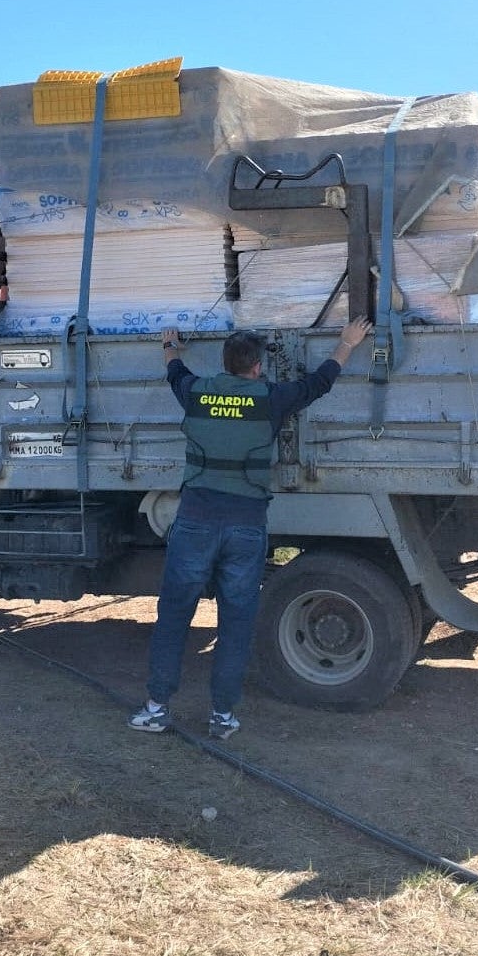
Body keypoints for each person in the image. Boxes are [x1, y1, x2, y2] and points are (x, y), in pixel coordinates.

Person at [129, 315, 372, 739]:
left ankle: (156, 707)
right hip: (245, 525)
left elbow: (175, 372)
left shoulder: (197, 393)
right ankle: (222, 716)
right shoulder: (270, 397)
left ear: (225, 364)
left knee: (173, 616)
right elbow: (319, 384)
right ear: (257, 367)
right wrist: (346, 343)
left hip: (195, 522)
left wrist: (170, 345)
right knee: (236, 620)